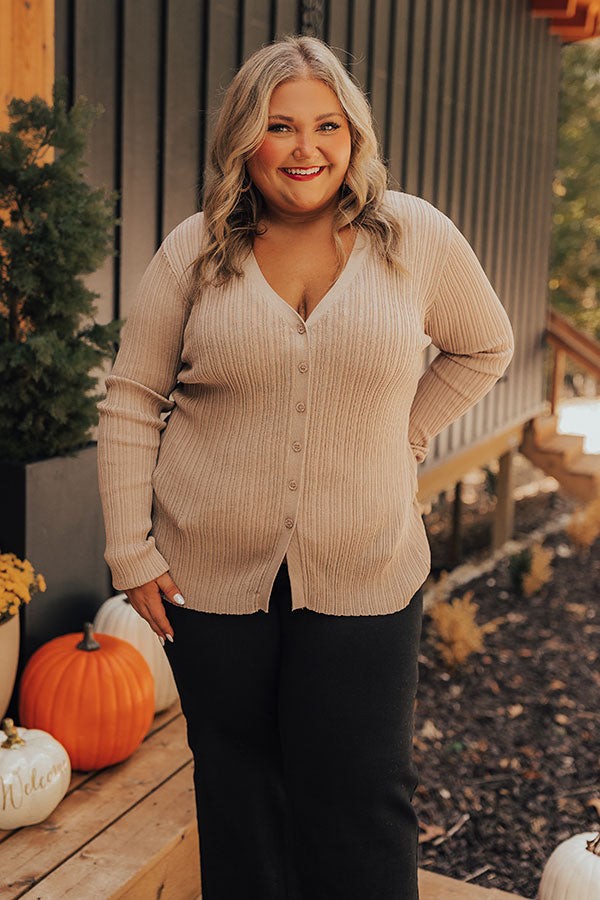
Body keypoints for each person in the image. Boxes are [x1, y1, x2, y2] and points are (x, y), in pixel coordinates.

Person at [96, 34, 514, 900]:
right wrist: (130, 552)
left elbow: (485, 346)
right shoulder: (194, 251)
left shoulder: (415, 237)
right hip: (206, 574)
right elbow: (132, 396)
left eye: (328, 126)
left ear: (354, 138)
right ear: (246, 138)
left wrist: (405, 432)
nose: (306, 149)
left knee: (362, 793)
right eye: (281, 126)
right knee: (240, 789)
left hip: (367, 562)